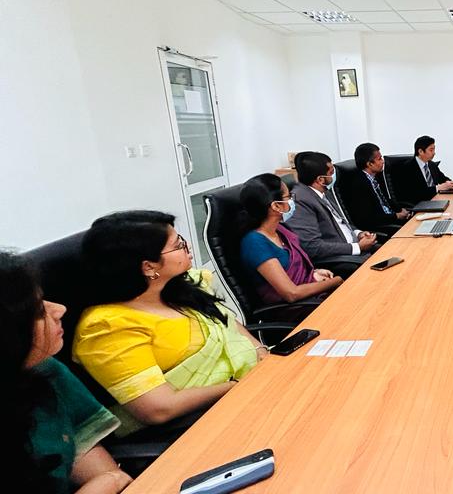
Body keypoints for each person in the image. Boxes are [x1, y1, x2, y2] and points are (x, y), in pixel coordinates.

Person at [73, 211, 265, 435]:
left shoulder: (183, 286)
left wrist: (260, 352)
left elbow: (226, 324)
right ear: (148, 267)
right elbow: (158, 408)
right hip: (195, 425)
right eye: (178, 245)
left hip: (246, 393)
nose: (187, 246)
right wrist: (236, 385)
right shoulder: (108, 327)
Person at [1, 252, 132, 494]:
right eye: (38, 311)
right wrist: (108, 483)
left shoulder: (45, 371)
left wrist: (112, 479)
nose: (60, 310)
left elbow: (80, 442)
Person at [239, 174, 343, 312]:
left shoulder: (280, 229)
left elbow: (295, 269)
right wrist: (336, 281)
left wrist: (314, 274)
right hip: (296, 310)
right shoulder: (255, 243)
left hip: (311, 298)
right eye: (288, 197)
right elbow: (291, 293)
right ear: (276, 206)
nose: (292, 201)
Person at [288, 151, 378, 278]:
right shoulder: (300, 201)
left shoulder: (323, 191)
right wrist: (357, 247)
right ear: (320, 179)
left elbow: (341, 222)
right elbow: (313, 246)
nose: (334, 175)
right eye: (331, 173)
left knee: (389, 251)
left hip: (352, 248)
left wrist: (358, 234)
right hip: (338, 258)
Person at [344, 142, 413, 233]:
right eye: (379, 159)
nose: (383, 161)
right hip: (381, 226)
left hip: (390, 219)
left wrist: (401, 210)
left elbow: (386, 201)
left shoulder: (375, 178)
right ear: (369, 164)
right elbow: (369, 218)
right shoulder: (359, 185)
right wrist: (397, 216)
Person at [394, 135, 453, 205]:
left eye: (434, 149)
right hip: (418, 204)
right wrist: (438, 188)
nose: (434, 153)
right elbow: (415, 193)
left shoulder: (432, 165)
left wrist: (451, 184)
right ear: (420, 151)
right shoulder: (407, 168)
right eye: (431, 150)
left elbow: (443, 179)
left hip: (436, 201)